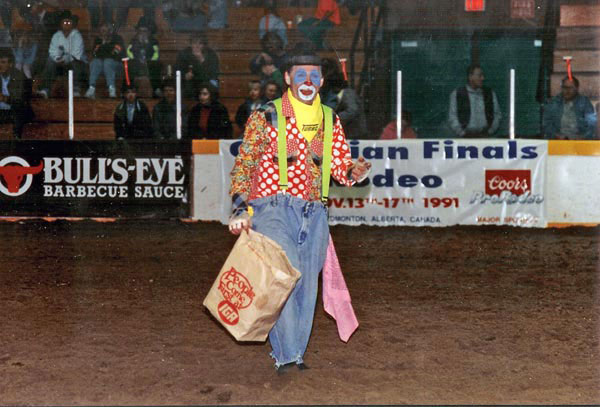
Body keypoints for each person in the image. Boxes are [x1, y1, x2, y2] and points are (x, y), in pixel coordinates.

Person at [228, 43, 371, 373]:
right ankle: (284, 354)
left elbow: (338, 167)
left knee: (306, 286)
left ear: (321, 82)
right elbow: (244, 164)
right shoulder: (266, 115)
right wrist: (239, 207)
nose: (308, 80)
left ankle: (292, 354)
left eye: (314, 75)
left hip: (315, 212)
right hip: (272, 209)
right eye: (301, 74)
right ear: (289, 78)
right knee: (286, 275)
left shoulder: (330, 118)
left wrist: (354, 171)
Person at [36, 10, 87, 99]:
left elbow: (76, 53)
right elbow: (52, 51)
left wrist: (65, 59)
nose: (66, 24)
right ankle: (45, 90)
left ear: (72, 23)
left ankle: (76, 90)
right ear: (61, 23)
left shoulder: (77, 36)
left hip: (73, 63)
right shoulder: (56, 36)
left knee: (77, 62)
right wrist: (57, 59)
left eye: (68, 22)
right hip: (59, 63)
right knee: (49, 61)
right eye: (64, 22)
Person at [448, 63, 502, 138]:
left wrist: (490, 132)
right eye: (480, 75)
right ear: (470, 77)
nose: (482, 78)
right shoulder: (457, 94)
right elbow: (452, 117)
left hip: (485, 136)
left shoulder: (489, 93)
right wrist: (462, 134)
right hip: (465, 138)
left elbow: (497, 114)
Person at [321, 58, 367, 139]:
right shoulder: (324, 93)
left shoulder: (346, 92)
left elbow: (352, 110)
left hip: (353, 137)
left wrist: (334, 118)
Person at [542, 75, 597, 140]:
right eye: (565, 87)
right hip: (558, 141)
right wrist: (556, 135)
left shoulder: (584, 102)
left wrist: (583, 137)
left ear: (577, 88)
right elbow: (546, 124)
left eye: (570, 88)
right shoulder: (553, 102)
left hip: (579, 141)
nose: (567, 91)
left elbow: (592, 124)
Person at [0, 47, 34, 139]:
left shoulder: (19, 77)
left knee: (18, 111)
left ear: (10, 64)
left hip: (16, 111)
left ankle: (16, 140)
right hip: (2, 112)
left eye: (3, 62)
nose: (0, 65)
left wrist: (5, 98)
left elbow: (21, 101)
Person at [85, 23, 124, 99]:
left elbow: (115, 54)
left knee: (108, 61)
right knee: (95, 62)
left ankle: (111, 88)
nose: (103, 33)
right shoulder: (98, 40)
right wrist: (104, 45)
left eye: (105, 31)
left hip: (117, 65)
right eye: (101, 31)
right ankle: (91, 88)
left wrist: (104, 47)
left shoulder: (118, 39)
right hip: (102, 65)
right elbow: (95, 54)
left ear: (110, 31)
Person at [174, 35, 219, 99]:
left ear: (204, 45)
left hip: (206, 82)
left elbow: (212, 74)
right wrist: (185, 76)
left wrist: (201, 59)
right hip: (189, 83)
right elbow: (177, 70)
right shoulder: (184, 54)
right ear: (190, 44)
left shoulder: (211, 54)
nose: (197, 46)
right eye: (194, 43)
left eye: (200, 43)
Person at [126, 20, 162, 98]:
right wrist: (136, 59)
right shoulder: (133, 41)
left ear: (148, 31)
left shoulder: (153, 41)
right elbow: (129, 52)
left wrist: (150, 59)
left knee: (156, 64)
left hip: (149, 63)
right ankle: (129, 89)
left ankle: (156, 89)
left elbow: (156, 53)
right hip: (136, 63)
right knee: (128, 65)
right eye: (140, 31)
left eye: (144, 31)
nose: (142, 33)